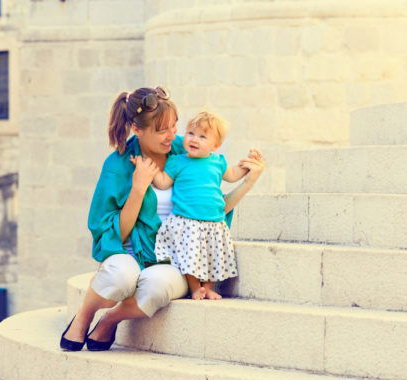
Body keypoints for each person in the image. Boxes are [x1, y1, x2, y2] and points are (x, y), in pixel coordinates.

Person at [60, 87, 264, 352]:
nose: (172, 136)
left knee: (156, 287)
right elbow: (115, 234)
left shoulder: (187, 151)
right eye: (161, 130)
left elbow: (212, 210)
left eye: (174, 126)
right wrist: (138, 187)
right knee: (122, 275)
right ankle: (83, 317)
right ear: (137, 129)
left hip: (176, 256)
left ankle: (111, 319)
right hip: (131, 251)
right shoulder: (118, 164)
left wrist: (250, 180)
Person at [141, 111, 262, 300]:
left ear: (216, 145)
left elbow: (233, 175)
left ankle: (208, 287)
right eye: (190, 133)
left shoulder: (218, 162)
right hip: (187, 220)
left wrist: (249, 164)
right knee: (190, 256)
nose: (194, 139)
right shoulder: (178, 161)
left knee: (214, 255)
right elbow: (164, 182)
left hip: (214, 222)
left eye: (202, 136)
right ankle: (195, 287)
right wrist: (149, 171)